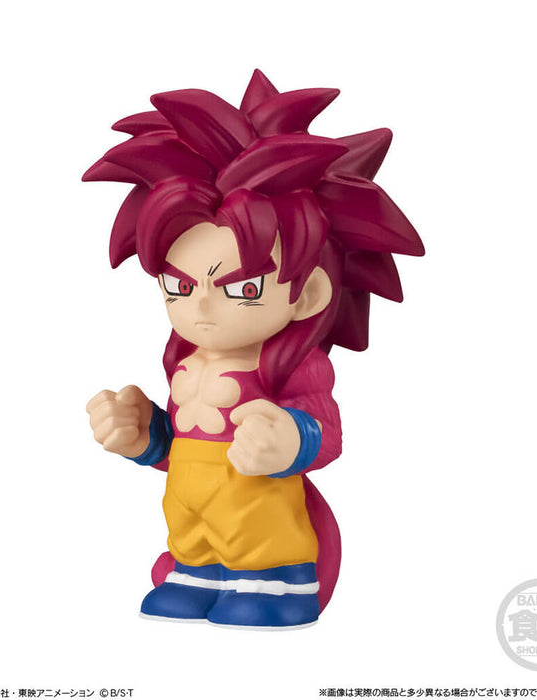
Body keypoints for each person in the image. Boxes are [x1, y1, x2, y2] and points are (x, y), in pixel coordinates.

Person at [83, 69, 423, 628]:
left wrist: (290, 440)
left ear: (308, 294)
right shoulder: (186, 361)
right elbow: (181, 450)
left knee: (260, 557)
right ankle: (194, 577)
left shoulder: (289, 365)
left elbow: (328, 433)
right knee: (186, 567)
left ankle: (278, 587)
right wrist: (145, 436)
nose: (201, 307)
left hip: (265, 534)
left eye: (241, 288)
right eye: (178, 286)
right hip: (191, 530)